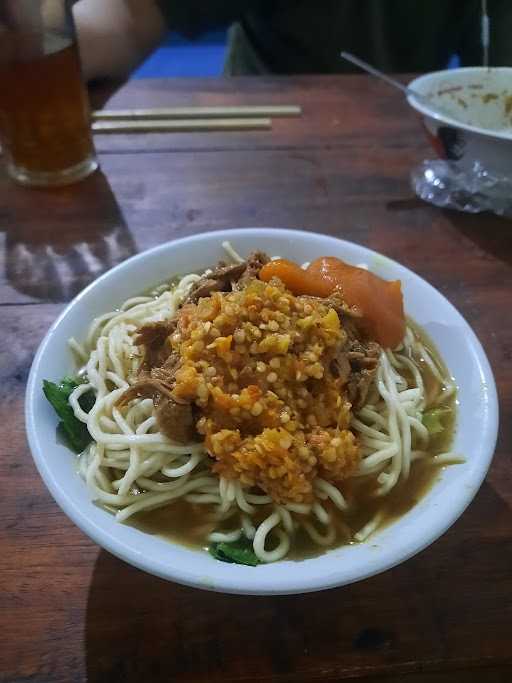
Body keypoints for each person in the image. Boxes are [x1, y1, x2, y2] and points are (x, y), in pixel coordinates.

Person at [74, 0, 512, 81]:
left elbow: (500, 81)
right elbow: (130, 15)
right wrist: (46, 42)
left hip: (406, 143)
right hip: (253, 130)